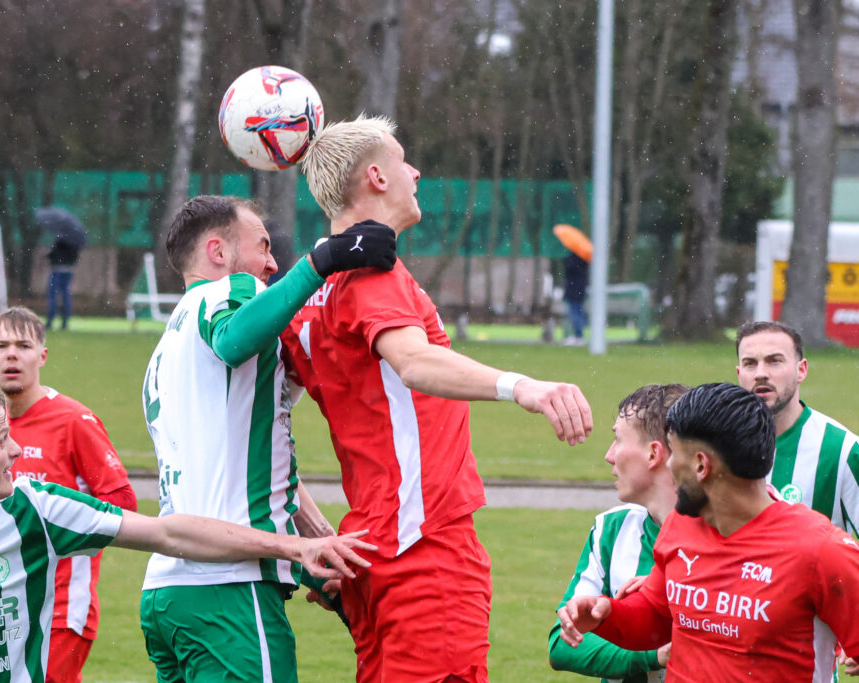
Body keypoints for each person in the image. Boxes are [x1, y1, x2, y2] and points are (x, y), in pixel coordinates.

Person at [280, 114, 593, 683]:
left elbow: (268, 438)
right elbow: (415, 362)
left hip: (370, 547)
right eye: (404, 161)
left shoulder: (307, 296)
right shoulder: (373, 275)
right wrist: (522, 386)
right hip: (425, 550)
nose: (417, 173)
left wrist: (318, 537)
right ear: (377, 177)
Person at [0, 382, 373, 683]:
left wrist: (296, 546)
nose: (17, 450)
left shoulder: (36, 511)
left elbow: (171, 535)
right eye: (1, 439)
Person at [139, 195, 397, 682]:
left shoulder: (168, 346)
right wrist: (321, 262)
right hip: (229, 592)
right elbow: (233, 338)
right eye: (262, 246)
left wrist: (318, 547)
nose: (273, 263)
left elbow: (255, 464)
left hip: (169, 596)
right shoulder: (223, 292)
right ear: (218, 252)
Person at [557, 382, 859, 681]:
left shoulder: (821, 550)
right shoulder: (679, 526)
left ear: (701, 466)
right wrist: (606, 614)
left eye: (674, 452)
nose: (668, 465)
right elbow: (657, 617)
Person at [0, 306, 138, 683]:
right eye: (2, 346)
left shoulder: (73, 421)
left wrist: (57, 527)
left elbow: (123, 503)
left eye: (24, 346)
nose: (12, 355)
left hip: (61, 607)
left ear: (43, 355)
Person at [548, 383, 687, 682]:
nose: (609, 455)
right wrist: (650, 657)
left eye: (618, 440)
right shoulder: (612, 528)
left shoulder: (719, 532)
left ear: (653, 454)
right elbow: (563, 642)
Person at [735, 320, 859, 531]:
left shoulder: (843, 450)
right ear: (739, 374)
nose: (760, 373)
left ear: (801, 370)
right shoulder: (717, 446)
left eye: (774, 361)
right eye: (750, 363)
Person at [563, 249, 589, 346]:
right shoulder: (584, 260)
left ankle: (578, 336)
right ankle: (578, 335)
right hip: (579, 291)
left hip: (574, 291)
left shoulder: (574, 261)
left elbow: (569, 269)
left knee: (575, 313)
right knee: (577, 313)